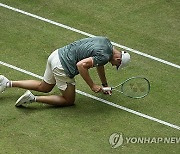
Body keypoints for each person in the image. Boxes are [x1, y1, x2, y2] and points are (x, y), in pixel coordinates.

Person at [0, 36, 130, 107]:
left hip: (56, 55)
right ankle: (32, 99)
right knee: (69, 100)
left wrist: (104, 84)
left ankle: (6, 83)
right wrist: (92, 86)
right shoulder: (105, 56)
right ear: (118, 59)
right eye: (116, 65)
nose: (114, 66)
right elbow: (81, 66)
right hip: (63, 66)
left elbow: (99, 64)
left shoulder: (106, 42)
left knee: (44, 86)